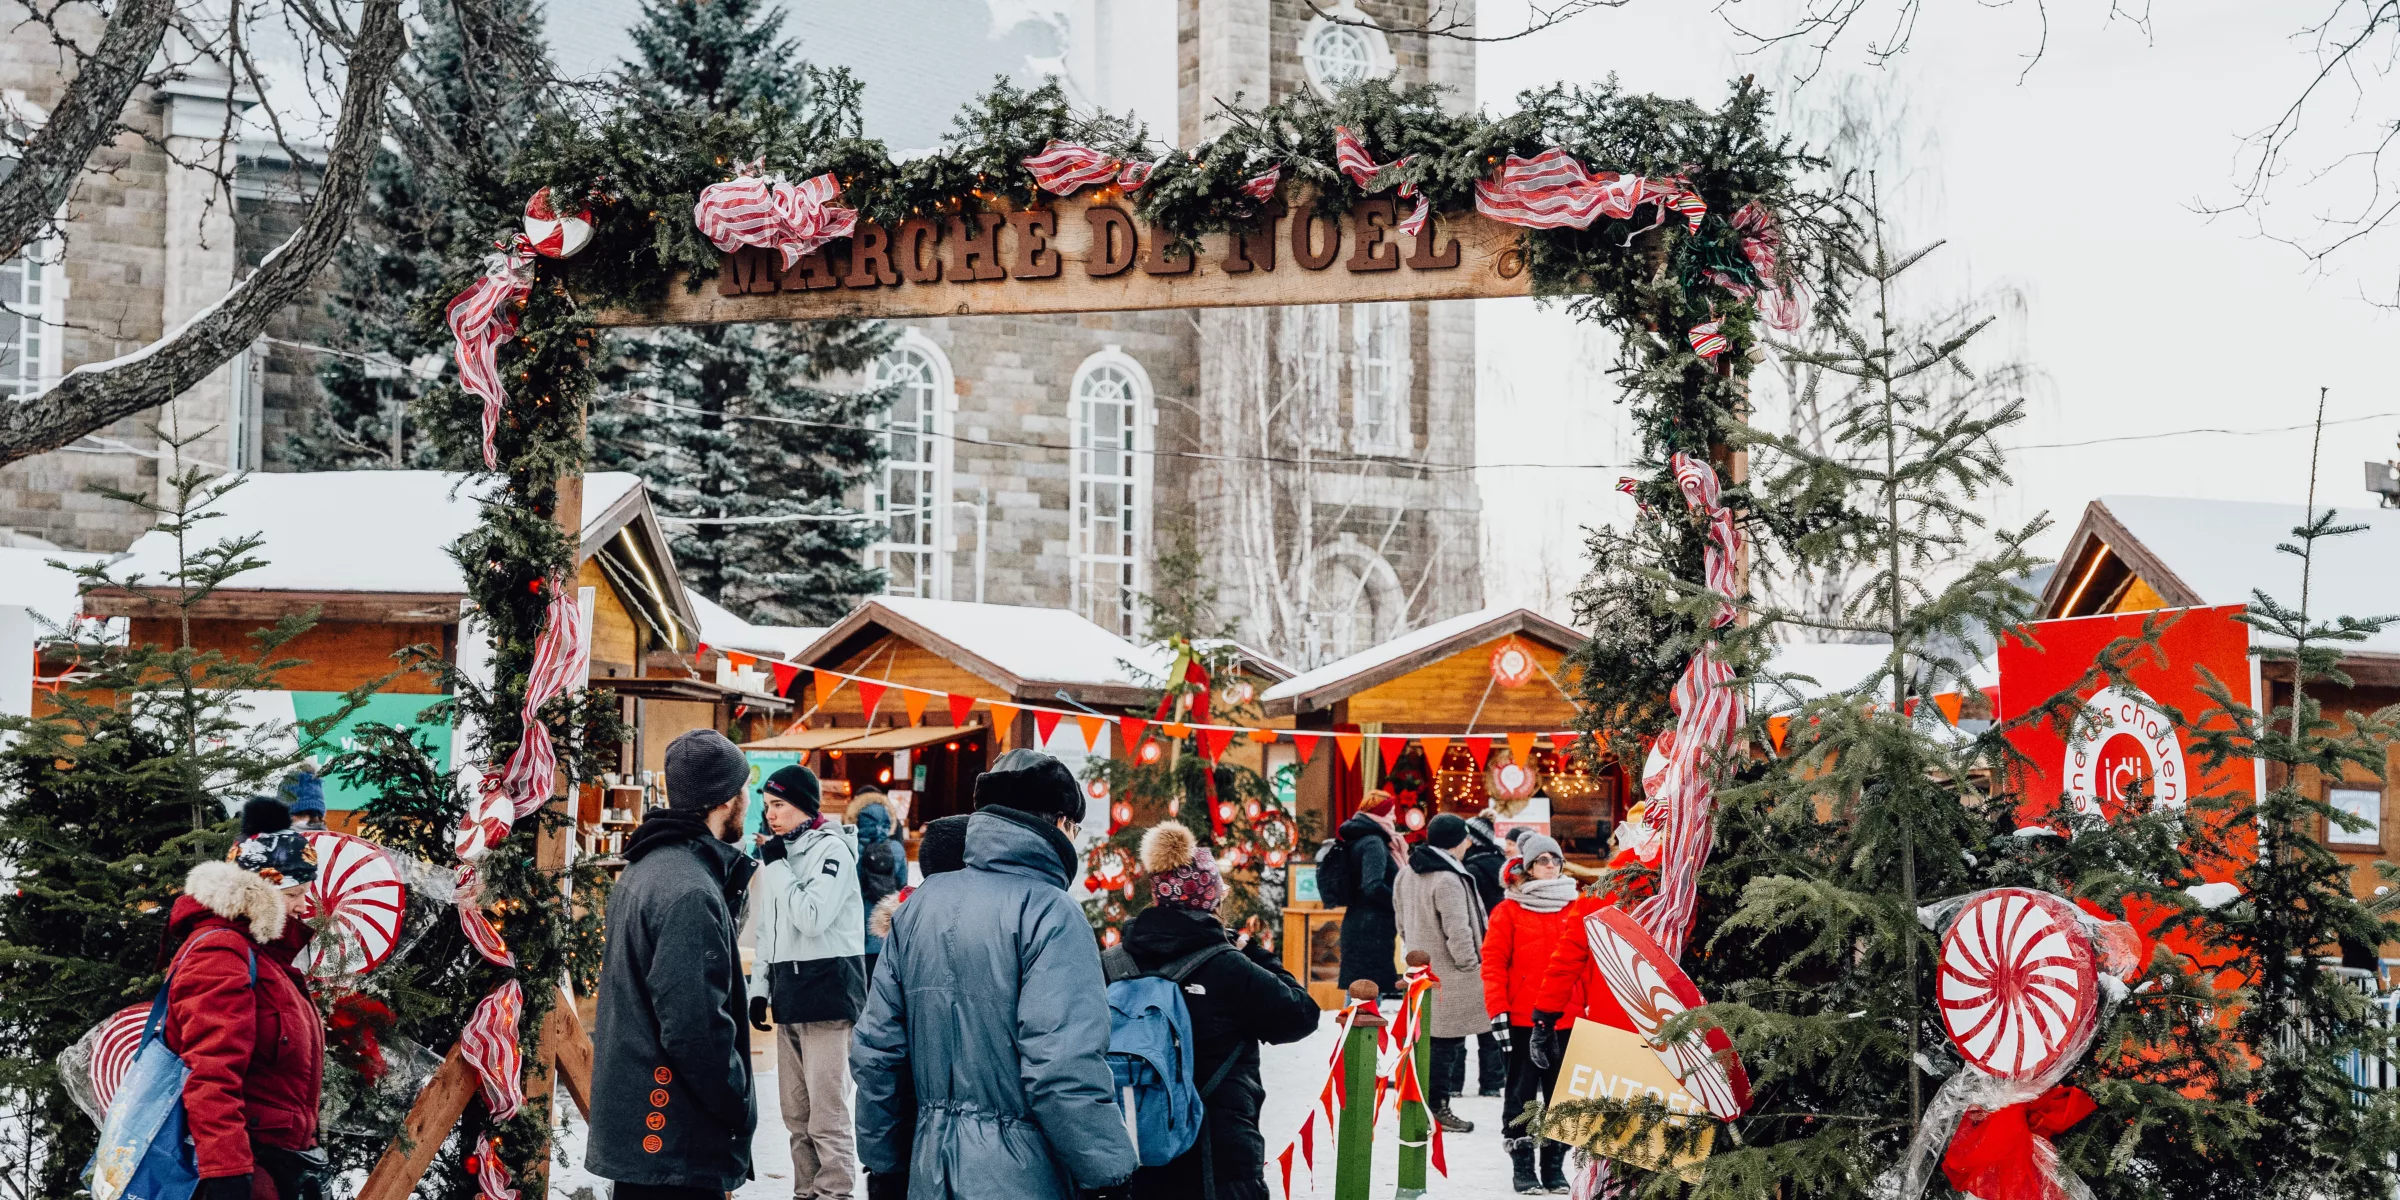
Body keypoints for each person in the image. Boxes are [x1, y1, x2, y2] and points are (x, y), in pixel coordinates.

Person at [853, 750, 1135, 1200]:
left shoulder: (921, 905)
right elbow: (1061, 1068)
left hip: (930, 1170)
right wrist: (1107, 1173)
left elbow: (877, 1052)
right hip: (1024, 1176)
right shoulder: (1051, 912)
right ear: (1060, 822)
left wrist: (884, 1162)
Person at [588, 729, 760, 1200]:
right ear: (726, 798)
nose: (749, 798)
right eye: (745, 787)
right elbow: (694, 1028)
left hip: (653, 1138)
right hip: (674, 1142)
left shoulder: (650, 867)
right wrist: (738, 1102)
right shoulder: (687, 889)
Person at [1118, 823, 1320, 1200]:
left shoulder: (1115, 963)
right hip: (1218, 1154)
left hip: (1136, 1143)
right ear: (1209, 899)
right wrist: (1254, 952)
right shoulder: (1230, 966)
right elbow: (1301, 1015)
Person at [170, 799, 328, 1200]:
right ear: (263, 891)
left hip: (275, 1167)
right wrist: (228, 1171)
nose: (301, 906)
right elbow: (211, 1069)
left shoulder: (267, 958)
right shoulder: (221, 953)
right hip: (244, 1173)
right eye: (294, 893)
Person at [747, 764, 862, 1200]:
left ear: (802, 806)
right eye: (767, 806)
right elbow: (767, 930)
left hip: (829, 994)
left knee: (826, 1116)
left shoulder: (831, 851)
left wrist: (775, 867)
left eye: (779, 805)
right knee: (795, 1115)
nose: (771, 815)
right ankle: (805, 1192)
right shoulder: (783, 856)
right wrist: (760, 990)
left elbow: (811, 918)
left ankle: (835, 1193)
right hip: (790, 994)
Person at [1479, 834, 1581, 1194]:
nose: (1550, 865)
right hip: (1522, 1019)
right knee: (1521, 1096)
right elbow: (1493, 965)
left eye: (1555, 859)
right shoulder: (1507, 910)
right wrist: (1498, 1012)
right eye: (1542, 860)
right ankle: (1522, 1167)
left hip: (1567, 1019)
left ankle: (1554, 1167)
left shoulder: (1576, 907)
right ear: (1528, 866)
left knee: (1562, 1097)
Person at [1394, 812, 1490, 1134]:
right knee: (1448, 1046)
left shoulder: (1407, 873)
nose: (1469, 843)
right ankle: (1437, 1107)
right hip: (1451, 975)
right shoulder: (1448, 878)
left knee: (1426, 1042)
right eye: (1465, 837)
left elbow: (1401, 923)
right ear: (1457, 841)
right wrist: (1471, 965)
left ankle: (1421, 1103)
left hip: (1422, 970)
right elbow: (1459, 931)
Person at [1334, 792, 1405, 998]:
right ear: (1380, 814)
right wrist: (1398, 903)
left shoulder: (1365, 839)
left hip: (1364, 925)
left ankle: (1353, 1029)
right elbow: (1372, 885)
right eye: (1391, 813)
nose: (1394, 818)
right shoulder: (1374, 843)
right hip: (1371, 930)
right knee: (1366, 995)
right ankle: (1354, 1031)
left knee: (1361, 992)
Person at [1461, 812, 1510, 1098]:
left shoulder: (1469, 869)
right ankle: (1492, 1081)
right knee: (1491, 1016)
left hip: (1479, 943)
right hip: (1499, 944)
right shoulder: (1502, 864)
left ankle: (1455, 1083)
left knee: (1459, 1021)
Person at [851, 791, 906, 981]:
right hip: (885, 927)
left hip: (857, 932)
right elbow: (903, 886)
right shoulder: (896, 849)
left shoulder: (852, 848)